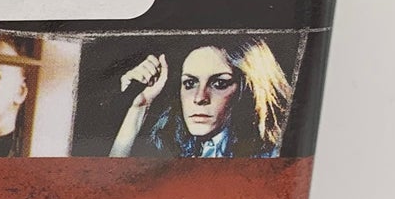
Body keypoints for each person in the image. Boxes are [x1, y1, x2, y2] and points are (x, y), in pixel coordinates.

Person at [108, 37, 292, 158]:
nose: (199, 98)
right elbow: (110, 192)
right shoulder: (184, 150)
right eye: (190, 83)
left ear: (248, 90)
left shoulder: (273, 157)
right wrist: (140, 106)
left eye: (219, 83)